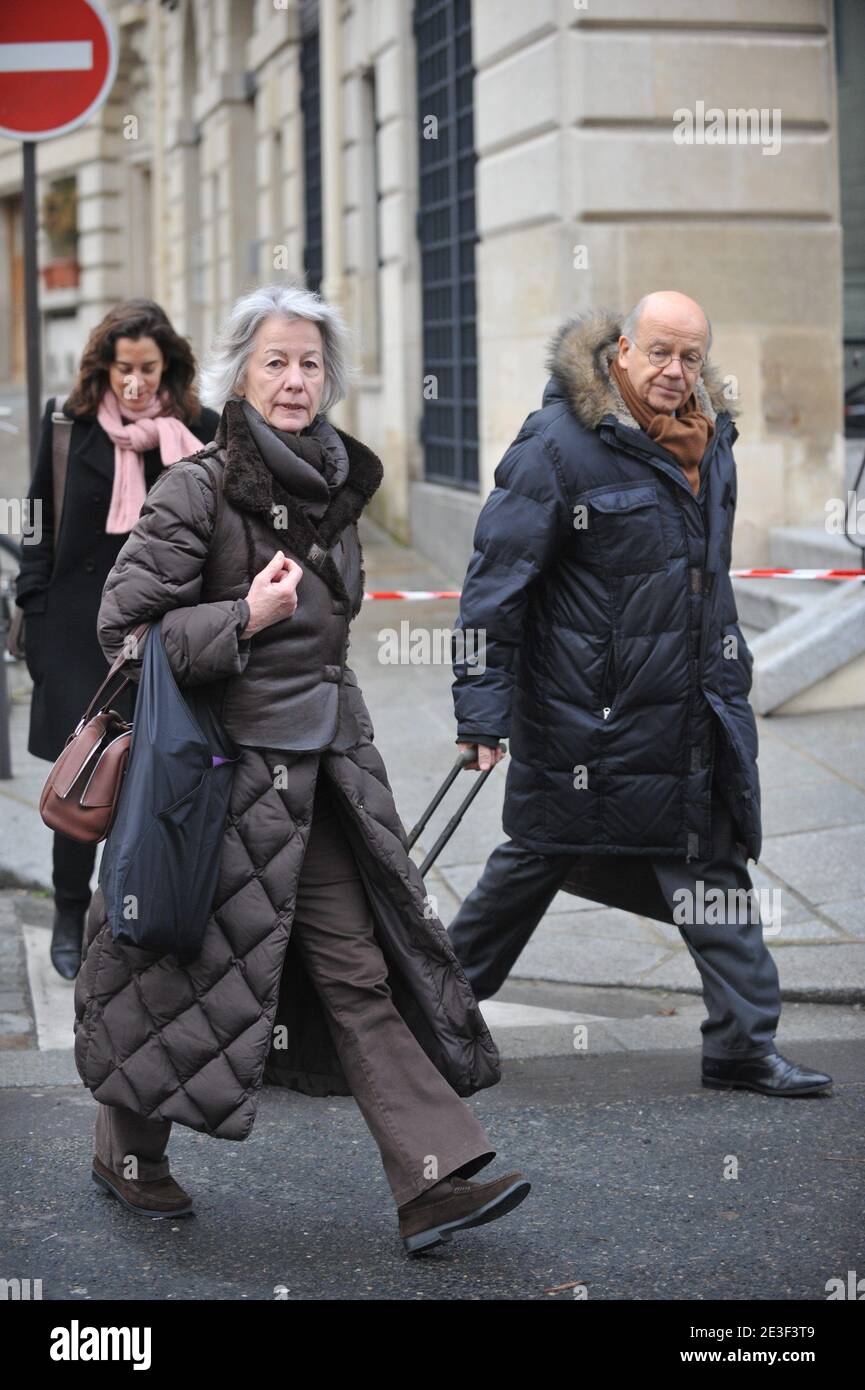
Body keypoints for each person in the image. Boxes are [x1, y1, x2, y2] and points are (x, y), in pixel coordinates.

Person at [72, 282, 530, 1255]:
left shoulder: (335, 489)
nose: (294, 379)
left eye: (310, 362)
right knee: (171, 966)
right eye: (276, 360)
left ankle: (431, 1174)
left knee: (359, 969)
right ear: (242, 369)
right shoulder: (194, 487)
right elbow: (125, 629)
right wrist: (245, 617)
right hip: (207, 783)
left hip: (321, 776)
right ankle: (127, 1149)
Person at [448, 291, 832, 1099]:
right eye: (658, 351)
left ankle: (740, 1047)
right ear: (619, 350)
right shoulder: (555, 446)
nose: (674, 371)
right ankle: (429, 1024)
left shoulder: (711, 441)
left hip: (692, 713)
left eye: (690, 356)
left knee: (712, 868)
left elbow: (706, 582)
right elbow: (493, 588)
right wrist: (480, 707)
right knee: (529, 867)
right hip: (586, 723)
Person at [14, 299, 220, 980]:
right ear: (105, 365)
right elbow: (36, 520)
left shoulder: (197, 431)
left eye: (148, 369)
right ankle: (70, 913)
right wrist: (34, 611)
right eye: (123, 368)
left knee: (147, 782)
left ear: (169, 368)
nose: (134, 382)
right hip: (76, 632)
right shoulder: (67, 424)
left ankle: (125, 916)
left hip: (164, 635)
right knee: (83, 780)